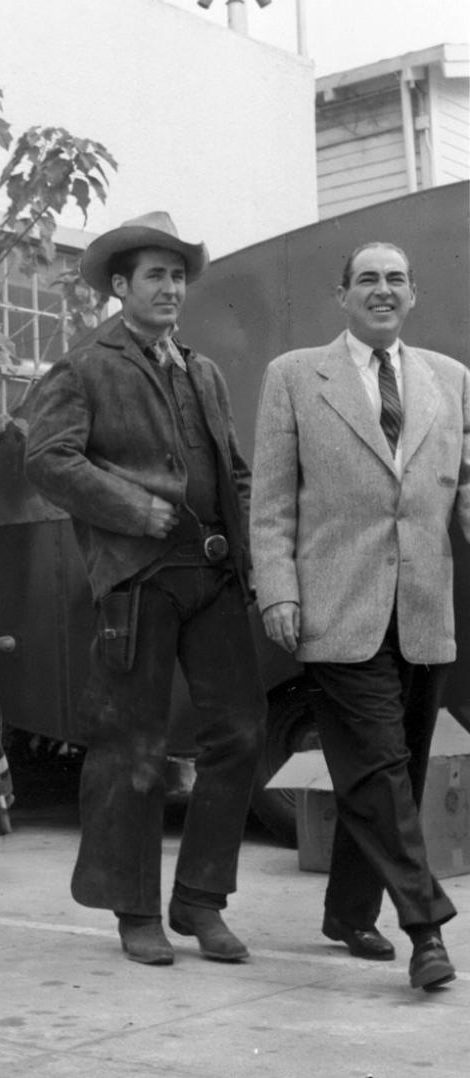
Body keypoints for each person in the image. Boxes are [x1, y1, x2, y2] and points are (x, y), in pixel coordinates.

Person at [24, 211, 266, 968]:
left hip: (215, 576)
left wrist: (254, 559)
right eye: (154, 275)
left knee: (240, 736)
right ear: (120, 286)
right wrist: (136, 509)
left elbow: (235, 473)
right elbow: (48, 460)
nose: (170, 288)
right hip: (137, 583)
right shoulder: (85, 365)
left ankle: (199, 901)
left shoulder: (203, 371)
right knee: (133, 748)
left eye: (177, 275)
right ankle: (135, 911)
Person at [251, 241, 469, 992]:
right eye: (368, 279)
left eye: (397, 279)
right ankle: (425, 927)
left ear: (414, 295)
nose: (383, 290)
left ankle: (348, 912)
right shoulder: (293, 378)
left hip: (423, 609)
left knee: (391, 778)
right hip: (335, 605)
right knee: (377, 768)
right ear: (341, 295)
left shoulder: (451, 379)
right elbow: (273, 501)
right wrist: (277, 588)